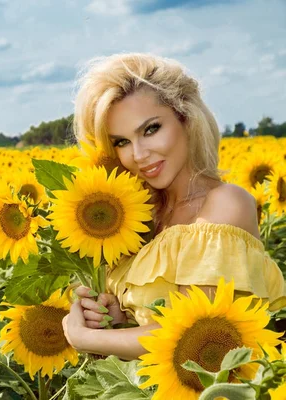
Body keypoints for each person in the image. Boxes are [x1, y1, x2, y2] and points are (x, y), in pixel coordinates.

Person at [61, 53, 285, 361]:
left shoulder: (224, 205)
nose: (139, 154)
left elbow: (192, 334)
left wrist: (84, 338)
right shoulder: (145, 216)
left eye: (151, 129)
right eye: (122, 142)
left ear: (187, 119)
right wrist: (120, 319)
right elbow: (157, 325)